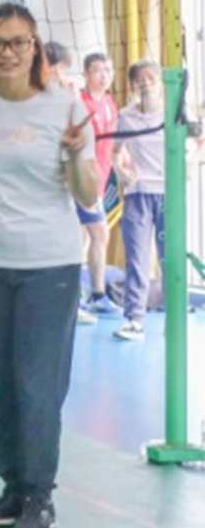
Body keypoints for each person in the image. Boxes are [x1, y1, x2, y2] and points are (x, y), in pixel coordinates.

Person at [0, 2, 97, 528]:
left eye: (19, 41)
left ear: (34, 47)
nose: (8, 51)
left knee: (38, 386)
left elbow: (88, 194)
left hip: (49, 264)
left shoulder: (65, 107)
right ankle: (13, 488)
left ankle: (40, 495)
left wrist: (77, 154)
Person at [110, 60, 165, 341]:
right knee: (137, 258)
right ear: (132, 85)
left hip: (169, 195)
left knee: (170, 258)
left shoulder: (173, 113)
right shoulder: (126, 116)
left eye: (151, 78)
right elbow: (115, 151)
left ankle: (175, 313)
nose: (145, 83)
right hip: (138, 193)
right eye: (139, 79)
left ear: (160, 83)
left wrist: (188, 164)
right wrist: (121, 171)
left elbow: (199, 142)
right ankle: (134, 319)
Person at [76, 52, 120, 322]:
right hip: (82, 180)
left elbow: (111, 145)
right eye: (97, 70)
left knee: (91, 236)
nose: (104, 75)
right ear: (86, 74)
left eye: (108, 70)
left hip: (100, 181)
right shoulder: (79, 103)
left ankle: (91, 296)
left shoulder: (110, 103)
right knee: (95, 234)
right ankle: (92, 295)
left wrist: (121, 168)